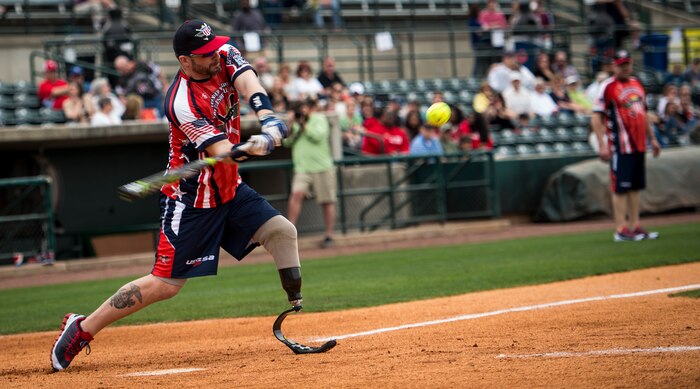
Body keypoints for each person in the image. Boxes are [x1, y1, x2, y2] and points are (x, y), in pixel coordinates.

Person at [50, 19, 297, 372]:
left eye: (214, 48)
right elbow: (223, 148)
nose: (214, 55)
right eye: (204, 54)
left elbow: (249, 81)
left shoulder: (222, 53)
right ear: (185, 60)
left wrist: (268, 118)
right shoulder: (181, 102)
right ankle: (82, 328)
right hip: (191, 200)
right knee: (165, 284)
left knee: (282, 231)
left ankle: (296, 303)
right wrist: (252, 147)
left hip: (229, 188)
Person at [591, 50, 661, 242]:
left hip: (638, 144)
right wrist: (602, 143)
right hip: (620, 145)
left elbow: (643, 113)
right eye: (621, 64)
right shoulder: (608, 86)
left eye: (627, 64)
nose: (625, 67)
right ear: (614, 66)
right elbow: (596, 116)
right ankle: (621, 229)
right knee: (620, 187)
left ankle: (635, 225)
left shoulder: (636, 83)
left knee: (635, 187)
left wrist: (653, 139)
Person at [284, 99, 337, 248]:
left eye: (303, 108)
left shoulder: (319, 119)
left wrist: (303, 124)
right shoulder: (295, 123)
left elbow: (317, 136)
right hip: (302, 169)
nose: (302, 112)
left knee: (327, 201)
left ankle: (329, 235)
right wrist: (290, 124)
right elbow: (287, 143)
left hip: (322, 167)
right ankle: (289, 233)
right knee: (296, 195)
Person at [101, 7, 134, 88]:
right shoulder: (110, 26)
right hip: (114, 57)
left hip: (116, 57)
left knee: (118, 75)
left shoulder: (122, 25)